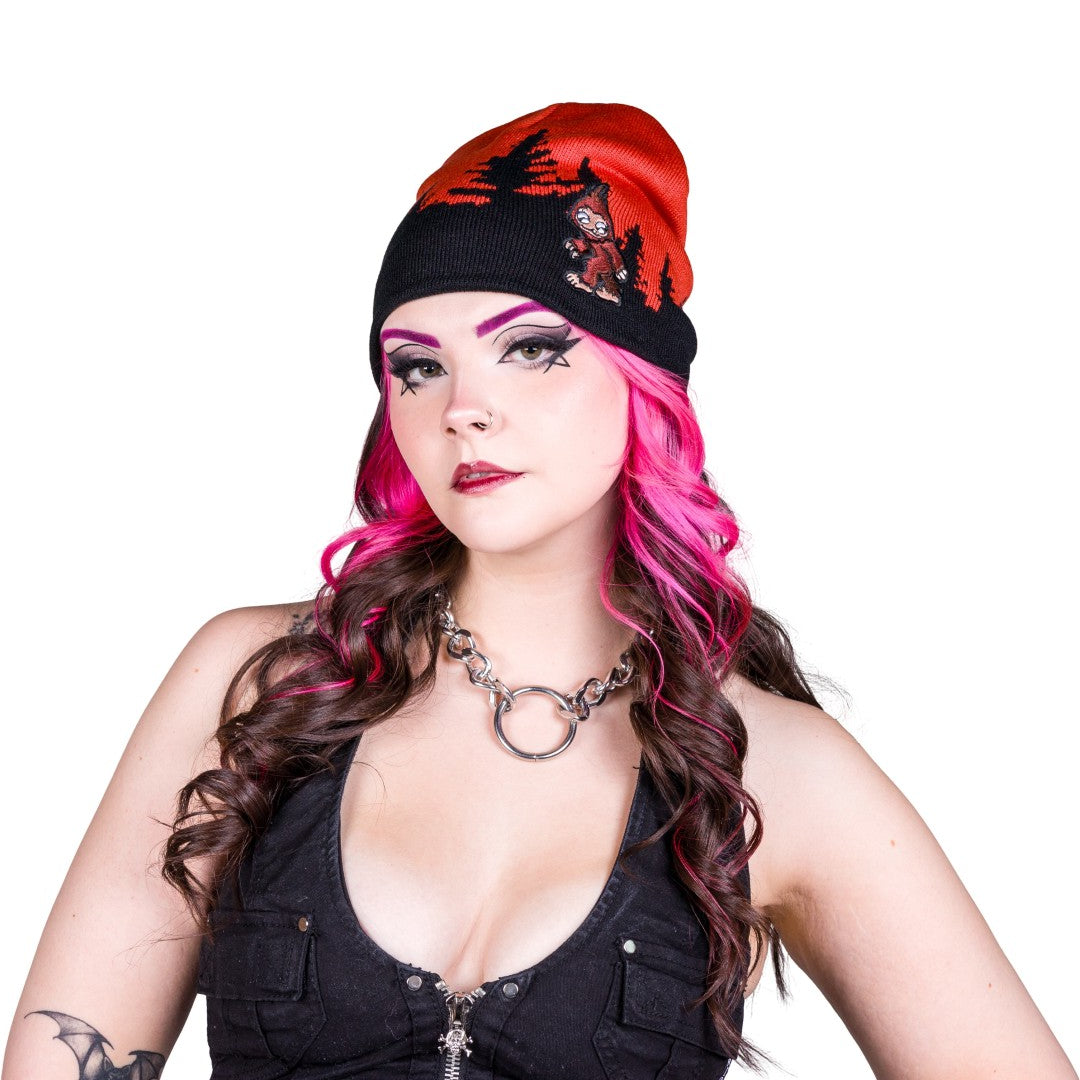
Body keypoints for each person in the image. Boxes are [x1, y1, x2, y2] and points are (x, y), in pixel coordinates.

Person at [3, 102, 1074, 1080]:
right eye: (418, 366)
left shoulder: (774, 770)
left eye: (529, 348)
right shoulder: (264, 687)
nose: (463, 408)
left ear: (643, 377)